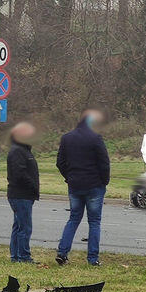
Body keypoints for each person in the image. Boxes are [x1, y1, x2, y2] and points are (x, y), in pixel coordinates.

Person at [55, 108, 111, 267]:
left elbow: (60, 163)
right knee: (94, 222)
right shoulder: (95, 138)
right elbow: (104, 163)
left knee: (73, 219)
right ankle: (92, 258)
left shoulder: (66, 138)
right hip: (94, 185)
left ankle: (62, 252)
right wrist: (104, 181)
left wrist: (69, 177)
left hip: (75, 185)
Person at [5, 122, 40, 263]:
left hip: (23, 194)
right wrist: (32, 186)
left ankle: (16, 256)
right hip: (21, 194)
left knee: (18, 226)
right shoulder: (17, 151)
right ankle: (23, 257)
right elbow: (19, 173)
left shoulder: (23, 150)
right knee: (24, 228)